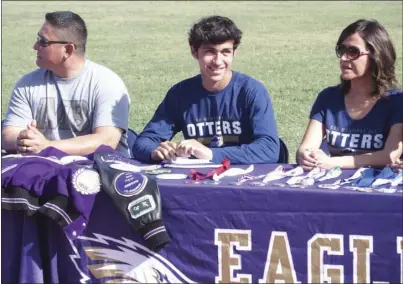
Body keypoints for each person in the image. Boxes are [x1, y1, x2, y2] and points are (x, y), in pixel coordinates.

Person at [133, 15, 280, 164]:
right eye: (210, 51)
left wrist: (210, 153)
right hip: (197, 180)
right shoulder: (180, 93)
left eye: (225, 52)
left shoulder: (252, 91)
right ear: (194, 52)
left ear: (234, 52)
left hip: (244, 180)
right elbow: (144, 142)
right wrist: (155, 151)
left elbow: (269, 149)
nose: (218, 61)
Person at [1, 11, 131, 157]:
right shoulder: (27, 84)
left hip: (96, 169)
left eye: (43, 41)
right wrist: (24, 138)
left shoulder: (107, 83)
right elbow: (9, 135)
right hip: (43, 167)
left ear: (67, 50)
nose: (35, 46)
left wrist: (47, 147)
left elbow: (106, 141)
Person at [297, 19, 403, 170]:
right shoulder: (328, 98)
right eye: (342, 50)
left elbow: (390, 155)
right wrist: (305, 155)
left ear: (376, 56)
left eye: (353, 51)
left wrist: (332, 162)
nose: (343, 58)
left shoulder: (396, 101)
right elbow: (307, 147)